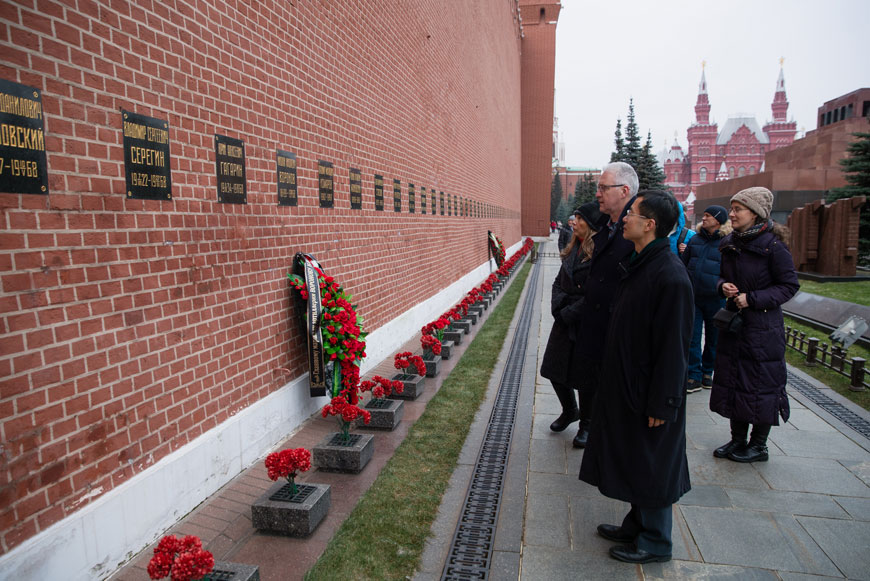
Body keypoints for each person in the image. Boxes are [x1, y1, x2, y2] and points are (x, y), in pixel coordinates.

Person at [579, 190, 693, 564]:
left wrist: (664, 401)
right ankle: (636, 523)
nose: (624, 219)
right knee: (636, 457)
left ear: (650, 225)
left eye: (632, 214)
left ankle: (657, 541)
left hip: (652, 392)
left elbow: (674, 348)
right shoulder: (642, 263)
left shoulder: (670, 276)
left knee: (653, 462)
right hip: (629, 384)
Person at [710, 187, 799, 463]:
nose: (732, 214)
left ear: (756, 213)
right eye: (732, 208)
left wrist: (753, 298)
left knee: (761, 384)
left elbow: (789, 285)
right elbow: (720, 276)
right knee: (735, 380)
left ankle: (758, 445)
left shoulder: (773, 246)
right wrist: (722, 286)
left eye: (738, 209)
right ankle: (737, 440)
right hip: (735, 325)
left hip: (762, 328)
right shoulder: (729, 243)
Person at [571, 161, 637, 448]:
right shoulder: (607, 225)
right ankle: (587, 424)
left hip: (618, 324)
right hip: (594, 323)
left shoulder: (636, 229)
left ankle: (607, 429)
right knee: (588, 378)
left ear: (624, 191)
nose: (597, 194)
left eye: (602, 188)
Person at [540, 202, 605, 434]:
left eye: (580, 218)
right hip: (564, 321)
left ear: (592, 225)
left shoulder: (600, 251)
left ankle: (586, 424)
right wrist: (558, 308)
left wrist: (569, 311)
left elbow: (597, 293)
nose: (574, 222)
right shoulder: (573, 246)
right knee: (553, 369)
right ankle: (570, 410)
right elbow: (558, 282)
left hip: (585, 323)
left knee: (584, 377)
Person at [681, 205, 730, 393]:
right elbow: (684, 263)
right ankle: (693, 374)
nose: (705, 218)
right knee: (692, 336)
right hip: (694, 296)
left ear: (718, 220)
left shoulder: (727, 242)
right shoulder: (695, 239)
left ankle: (707, 373)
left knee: (714, 337)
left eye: (708, 215)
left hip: (716, 298)